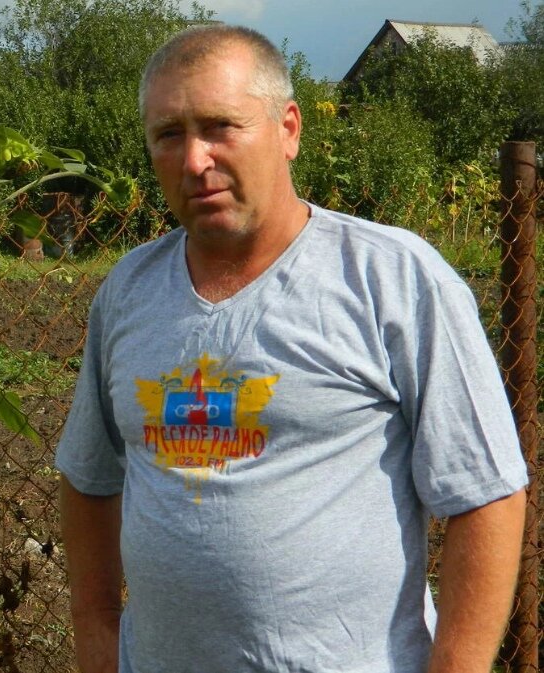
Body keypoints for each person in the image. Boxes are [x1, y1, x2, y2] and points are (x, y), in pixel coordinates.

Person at [55, 24, 528, 673]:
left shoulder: (391, 279)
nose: (194, 160)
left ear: (288, 129)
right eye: (169, 134)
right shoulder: (129, 291)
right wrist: (97, 635)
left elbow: (485, 495)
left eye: (221, 126)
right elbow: (88, 478)